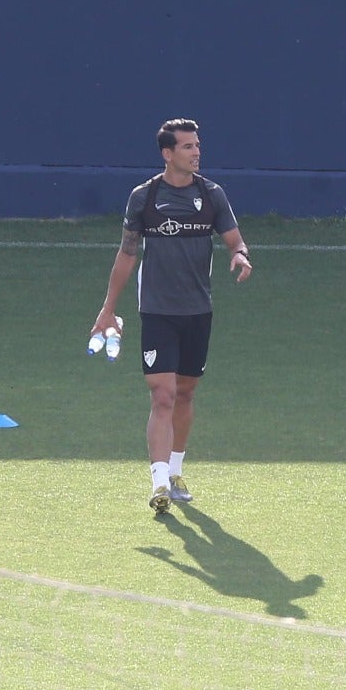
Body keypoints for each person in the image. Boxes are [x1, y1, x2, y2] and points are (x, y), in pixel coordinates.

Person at [91, 118, 253, 514]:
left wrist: (239, 254)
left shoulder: (212, 195)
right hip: (158, 312)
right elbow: (128, 254)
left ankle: (176, 472)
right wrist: (108, 308)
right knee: (162, 396)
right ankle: (159, 482)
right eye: (187, 147)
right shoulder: (144, 199)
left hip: (198, 311)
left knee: (185, 393)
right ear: (167, 153)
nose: (196, 152)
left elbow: (234, 239)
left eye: (197, 145)